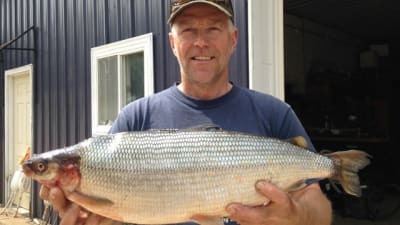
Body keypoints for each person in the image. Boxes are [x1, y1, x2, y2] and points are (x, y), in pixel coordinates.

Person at [39, 1, 333, 225]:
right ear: (173, 43)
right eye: (189, 30)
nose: (201, 42)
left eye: (214, 28)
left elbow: (318, 207)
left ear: (233, 39)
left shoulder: (275, 114)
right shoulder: (135, 119)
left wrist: (297, 216)